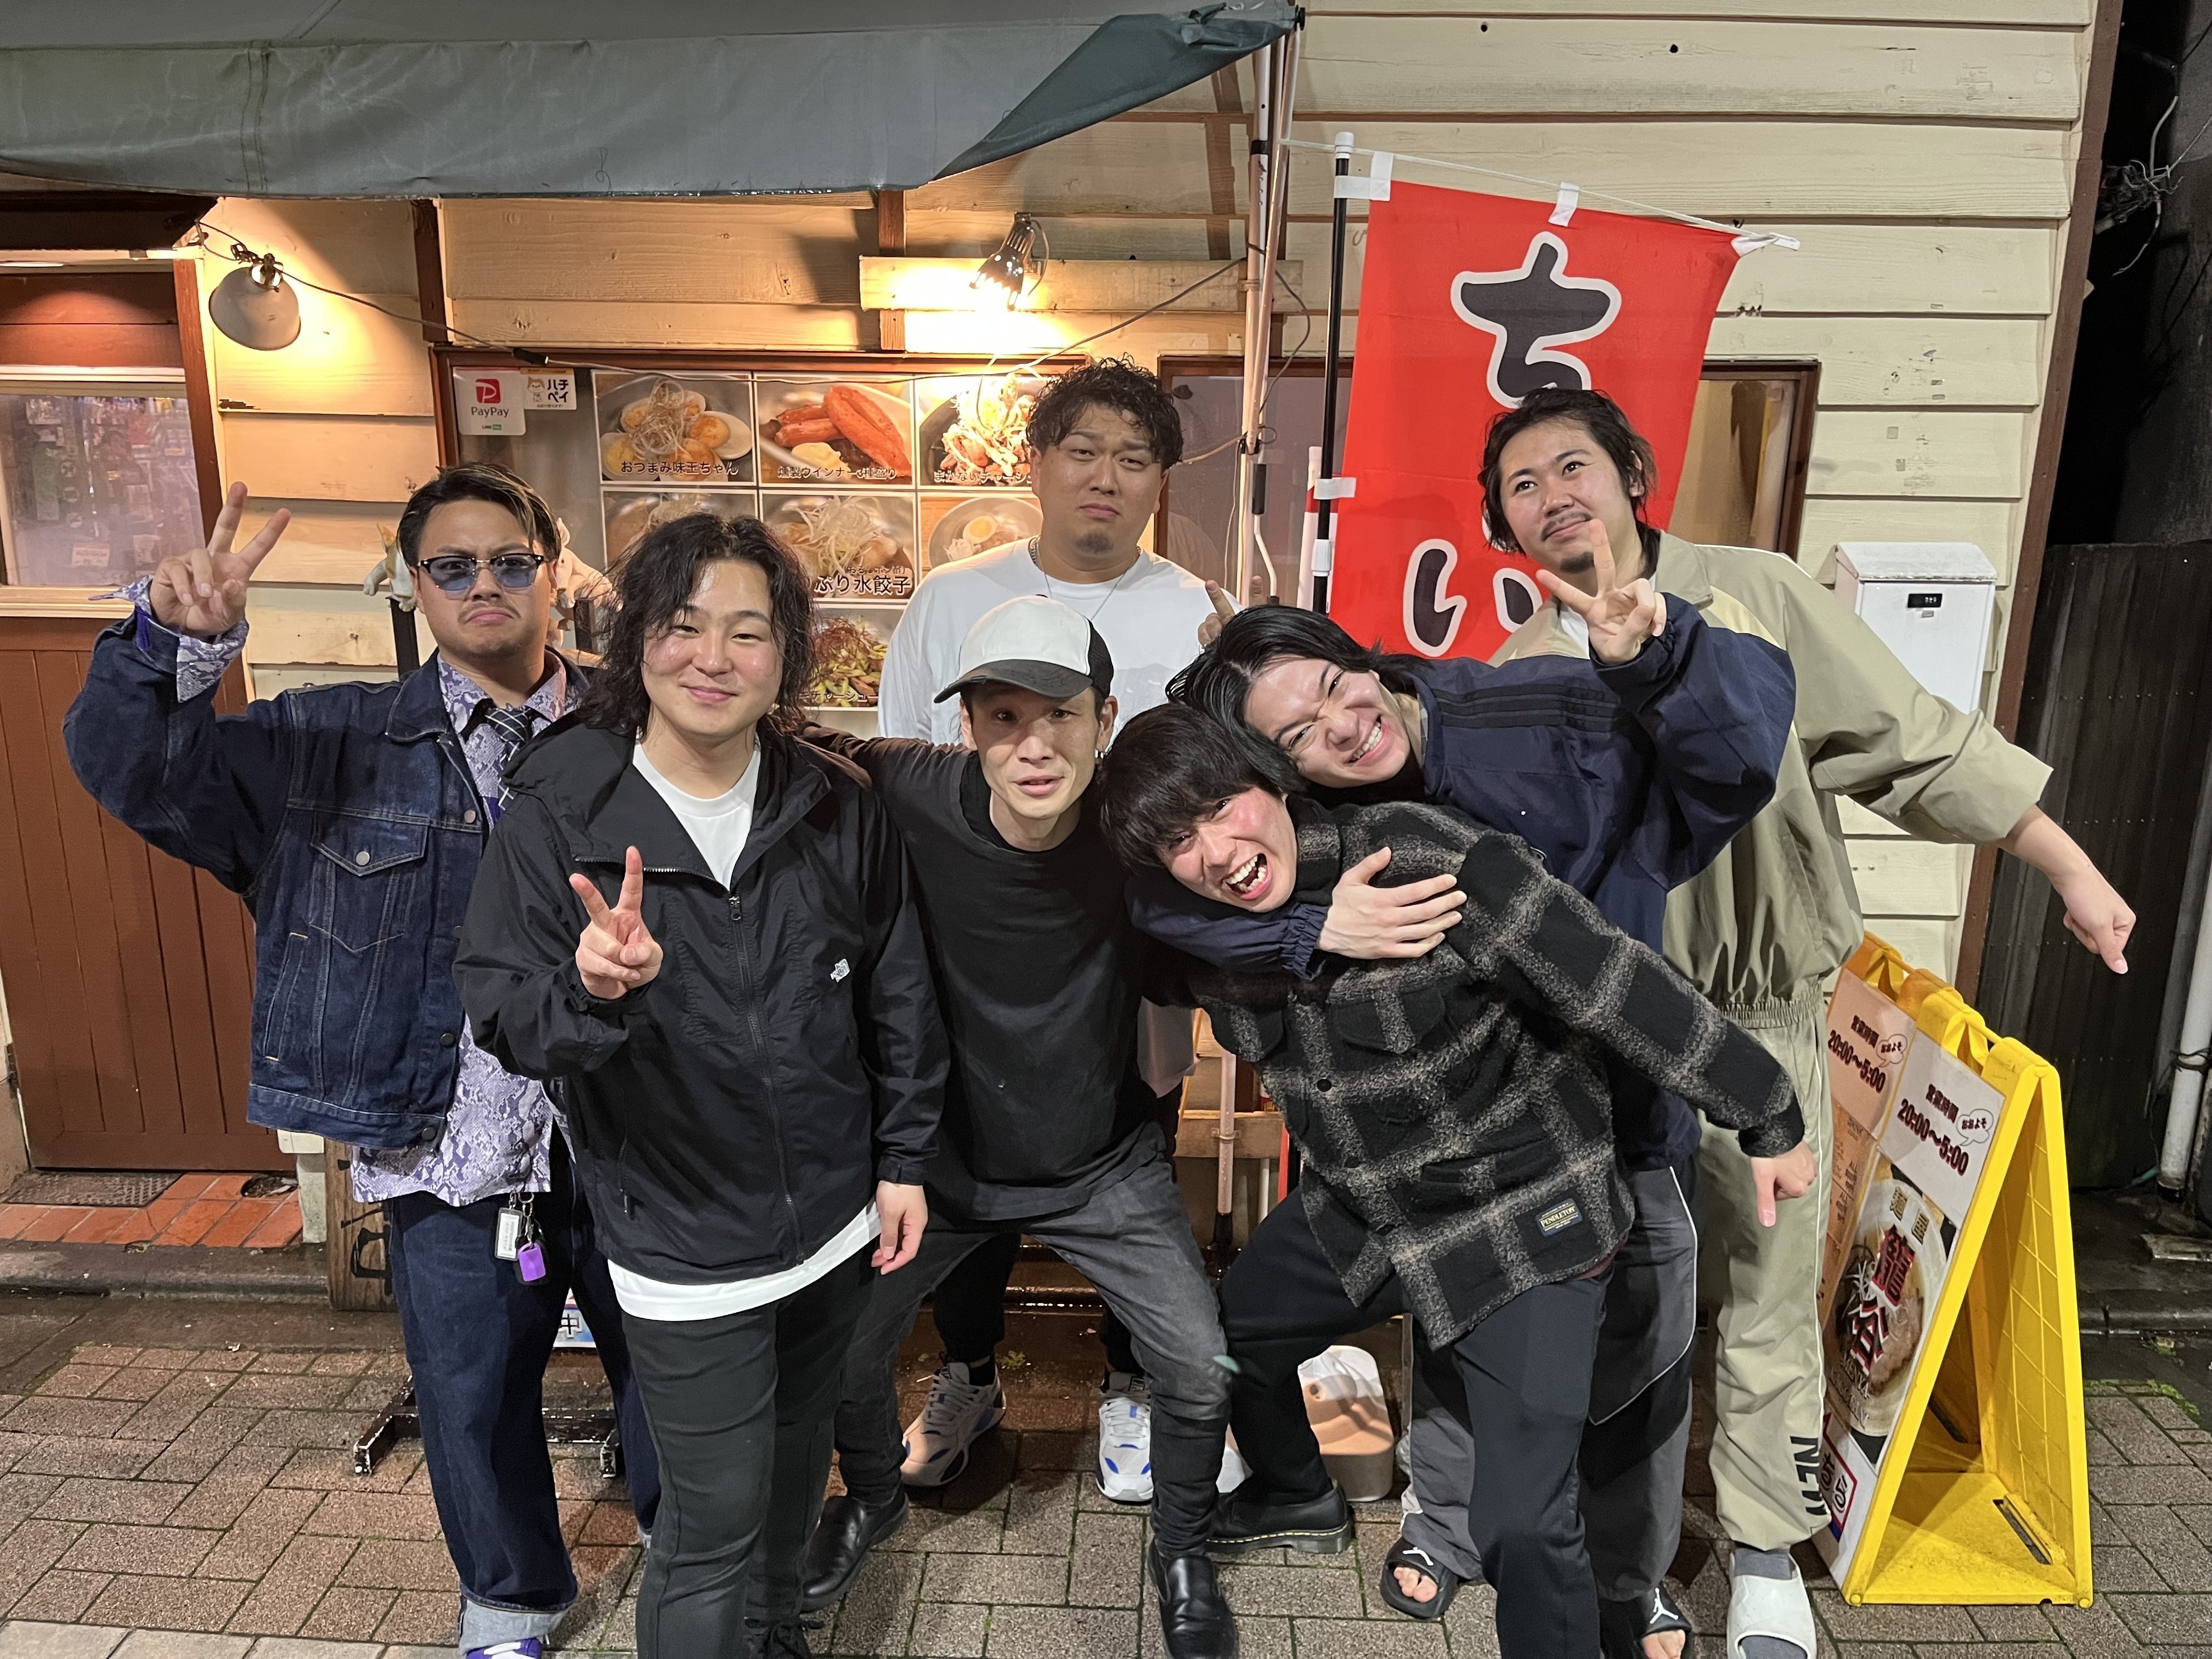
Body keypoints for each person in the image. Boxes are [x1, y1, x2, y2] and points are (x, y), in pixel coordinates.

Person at [1453, 385, 2134, 1659]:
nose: (1553, 498)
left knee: (1767, 1289)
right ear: (1503, 526)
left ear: (1632, 474)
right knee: (1628, 1304)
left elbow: (1912, 741)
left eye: (1572, 467)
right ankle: (1627, 1559)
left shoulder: (1754, 597)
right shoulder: (1515, 675)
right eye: (1522, 486)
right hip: (1604, 1044)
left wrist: (2066, 863)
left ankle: (1767, 1545)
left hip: (1758, 1017)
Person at [1141, 558, 1797, 1655]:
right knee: (1231, 1334)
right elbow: (1133, 900)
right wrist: (1302, 931)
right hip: (1372, 1205)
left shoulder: (1428, 852)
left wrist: (1766, 1109)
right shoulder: (1224, 914)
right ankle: (1299, 1491)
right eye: (1294, 733)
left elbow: (1612, 980)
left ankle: (1614, 1603)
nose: (1214, 850)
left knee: (1524, 1521)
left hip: (1521, 1212)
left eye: (1222, 809)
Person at [64, 466, 660, 1659]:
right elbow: (140, 775)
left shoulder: (639, 728)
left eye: (512, 560)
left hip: (637, 1121)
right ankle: (513, 1597)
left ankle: (693, 1552)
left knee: (673, 1367)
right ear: (412, 583)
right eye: (453, 565)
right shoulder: (327, 743)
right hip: (448, 1137)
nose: (485, 584)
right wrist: (170, 649)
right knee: (470, 1387)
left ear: (554, 574)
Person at [454, 513, 944, 1659]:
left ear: (786, 656)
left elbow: (899, 995)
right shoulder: (563, 807)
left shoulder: (836, 802)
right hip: (683, 1237)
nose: (713, 658)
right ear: (637, 642)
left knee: (794, 1478)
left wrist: (905, 1159)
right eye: (683, 626)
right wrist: (590, 989)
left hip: (834, 1221)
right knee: (711, 1521)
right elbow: (503, 1011)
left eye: (748, 632)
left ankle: (775, 1638)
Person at [798, 595, 1238, 1659]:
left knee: (1198, 1364)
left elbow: (1261, 810)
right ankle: (870, 1499)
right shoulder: (909, 788)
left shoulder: (1138, 820)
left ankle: (1184, 1553)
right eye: (1003, 717)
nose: (1034, 748)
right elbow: (770, 731)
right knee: (840, 1352)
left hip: (1102, 1162)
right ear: (967, 726)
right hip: (942, 1166)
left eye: (1062, 717)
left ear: (1106, 719)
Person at [877, 358, 1218, 1504]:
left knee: (1129, 1149)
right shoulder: (951, 596)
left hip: (1126, 960)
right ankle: (969, 1374)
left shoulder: (1193, 611)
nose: (1106, 478)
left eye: (1135, 458)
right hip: (969, 957)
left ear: (1161, 480)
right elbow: (902, 780)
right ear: (1036, 465)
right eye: (1083, 451)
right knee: (964, 1162)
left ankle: (1129, 1378)